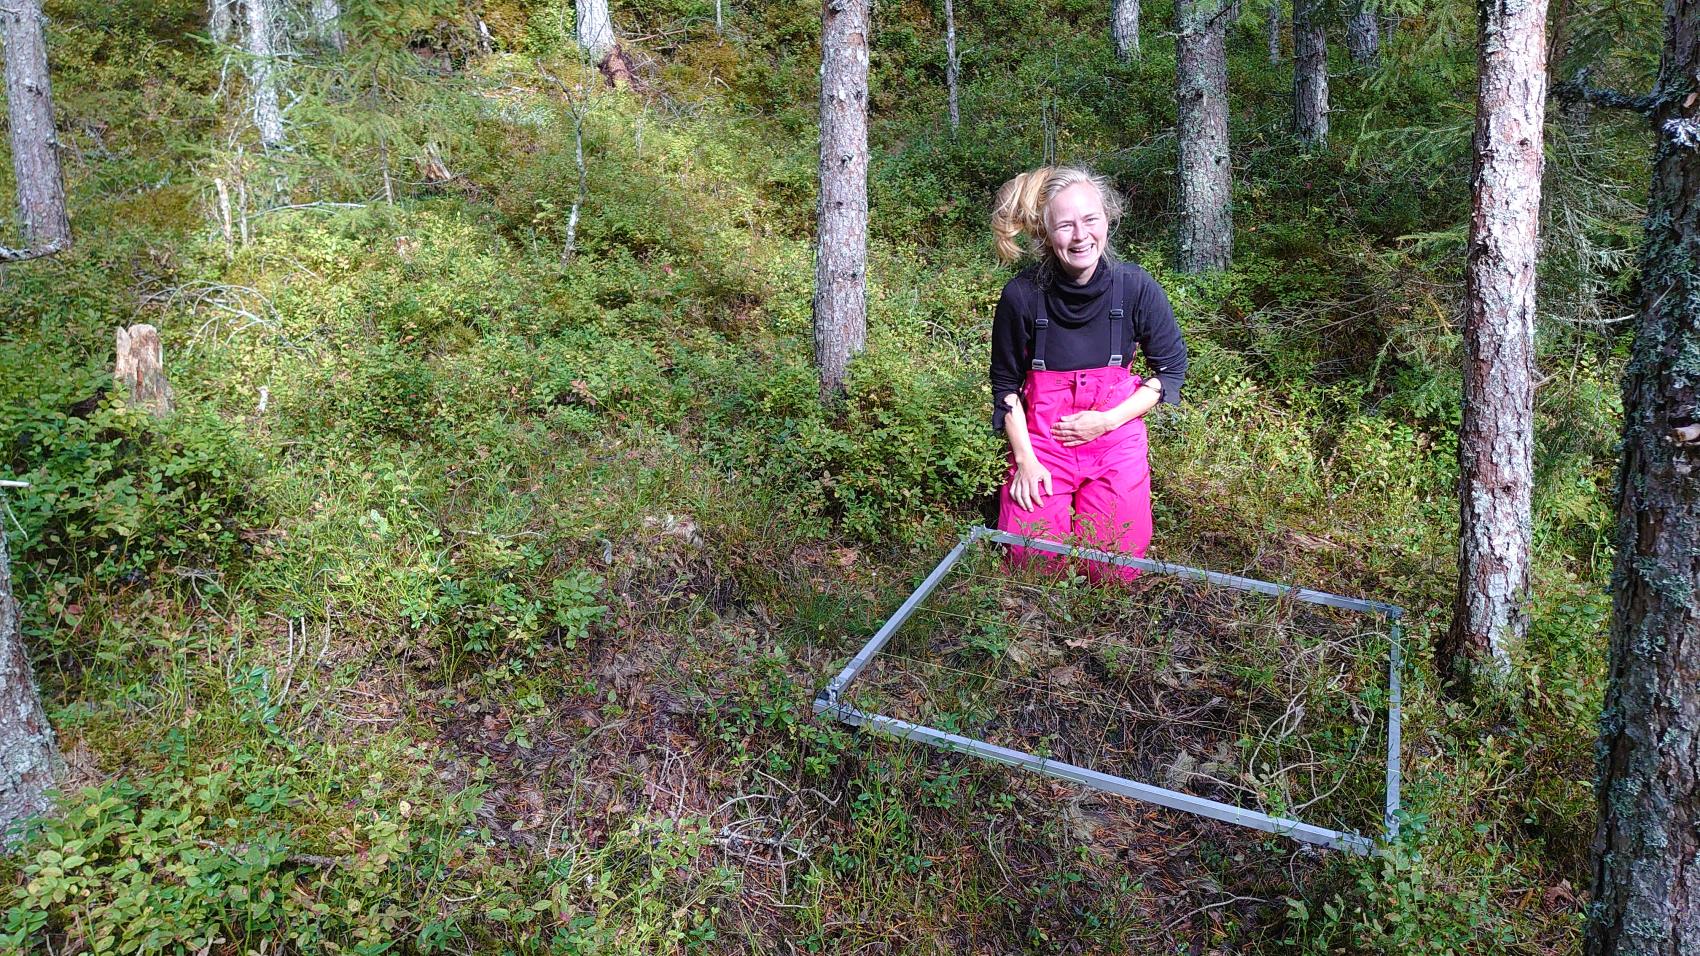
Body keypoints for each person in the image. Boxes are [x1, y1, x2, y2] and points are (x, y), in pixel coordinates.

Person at [988, 166, 1188, 582]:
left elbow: (1170, 371)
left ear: (1108, 219)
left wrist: (1108, 420)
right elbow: (1006, 387)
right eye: (1065, 225)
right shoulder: (1021, 295)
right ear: (1045, 233)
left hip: (1114, 440)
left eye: (1090, 220)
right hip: (1044, 444)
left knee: (1114, 568)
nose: (1081, 236)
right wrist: (1025, 461)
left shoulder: (1135, 286)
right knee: (1033, 563)